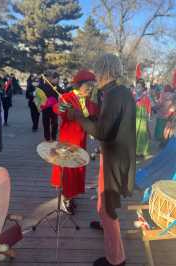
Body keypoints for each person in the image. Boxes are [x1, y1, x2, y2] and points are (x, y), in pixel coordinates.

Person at [67, 54, 136, 266]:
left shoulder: (115, 94)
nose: (95, 75)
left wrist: (77, 116)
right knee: (102, 195)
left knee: (109, 206)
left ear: (105, 70)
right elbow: (107, 123)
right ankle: (105, 225)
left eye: (97, 71)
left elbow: (102, 132)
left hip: (116, 158)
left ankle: (117, 259)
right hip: (115, 154)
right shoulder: (117, 92)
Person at [51, 70, 98, 214]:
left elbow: (94, 113)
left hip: (81, 140)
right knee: (68, 170)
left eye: (92, 86)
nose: (90, 89)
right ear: (79, 85)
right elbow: (57, 109)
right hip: (68, 140)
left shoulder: (89, 101)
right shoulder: (67, 97)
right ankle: (66, 199)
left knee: (77, 168)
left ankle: (72, 196)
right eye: (87, 86)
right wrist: (65, 107)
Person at [40, 72, 63, 141]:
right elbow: (38, 95)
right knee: (46, 123)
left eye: (58, 79)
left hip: (54, 108)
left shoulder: (56, 86)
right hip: (46, 107)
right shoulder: (42, 86)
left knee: (55, 124)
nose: (57, 80)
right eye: (56, 79)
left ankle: (53, 137)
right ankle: (47, 138)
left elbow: (63, 92)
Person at [136, 79, 151, 157]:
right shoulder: (134, 95)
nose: (137, 88)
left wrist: (148, 116)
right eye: (137, 87)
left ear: (143, 88)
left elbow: (148, 108)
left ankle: (142, 150)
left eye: (139, 87)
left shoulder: (146, 97)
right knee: (135, 133)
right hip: (136, 117)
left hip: (143, 118)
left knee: (142, 133)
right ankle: (135, 150)